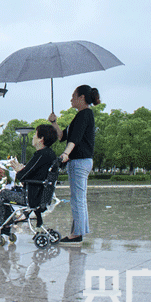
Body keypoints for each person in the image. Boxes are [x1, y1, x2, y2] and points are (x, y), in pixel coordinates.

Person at [48, 84, 100, 243]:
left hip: (79, 161)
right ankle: (77, 231)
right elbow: (62, 136)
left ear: (81, 98)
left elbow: (74, 140)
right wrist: (54, 122)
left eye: (73, 96)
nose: (71, 99)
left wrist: (65, 154)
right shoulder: (80, 116)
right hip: (79, 161)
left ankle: (77, 234)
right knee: (78, 198)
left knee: (78, 199)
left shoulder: (85, 115)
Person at [0, 124, 58, 233]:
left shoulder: (40, 155)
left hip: (32, 197)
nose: (33, 137)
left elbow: (22, 176)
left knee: (4, 193)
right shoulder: (50, 154)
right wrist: (22, 169)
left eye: (35, 134)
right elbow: (33, 172)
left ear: (41, 139)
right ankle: (5, 226)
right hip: (40, 195)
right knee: (11, 192)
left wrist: (19, 170)